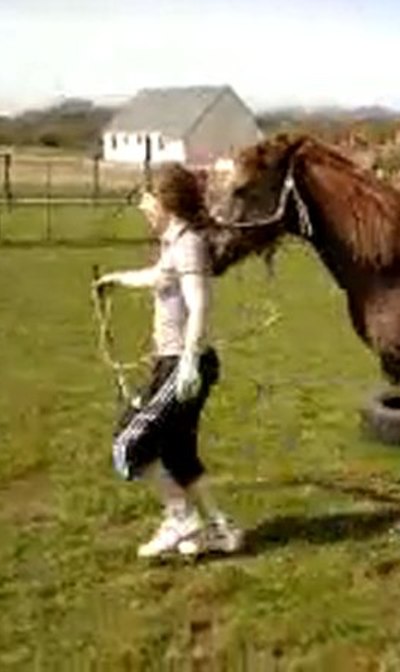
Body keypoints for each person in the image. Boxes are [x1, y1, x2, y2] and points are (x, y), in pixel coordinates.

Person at [93, 165, 244, 559]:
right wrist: (117, 279)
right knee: (178, 455)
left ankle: (180, 518)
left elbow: (198, 305)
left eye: (148, 201)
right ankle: (222, 531)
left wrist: (190, 363)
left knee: (128, 445)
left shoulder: (188, 243)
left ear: (166, 203)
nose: (145, 209)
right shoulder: (174, 242)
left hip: (184, 366)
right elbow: (158, 277)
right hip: (179, 363)